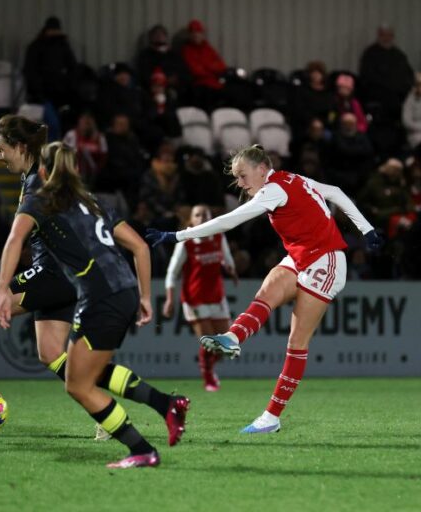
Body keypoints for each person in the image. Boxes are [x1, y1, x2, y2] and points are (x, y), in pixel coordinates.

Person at [0, 116, 186, 445]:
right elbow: (44, 239)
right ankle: (119, 411)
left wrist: (3, 287)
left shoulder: (37, 189)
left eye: (2, 150)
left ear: (20, 148)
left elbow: (17, 239)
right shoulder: (71, 193)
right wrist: (6, 272)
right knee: (52, 354)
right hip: (79, 281)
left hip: (59, 276)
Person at [145, 144, 382, 433]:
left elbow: (227, 221)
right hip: (300, 256)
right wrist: (366, 229)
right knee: (267, 290)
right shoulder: (293, 179)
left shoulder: (273, 189)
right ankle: (233, 337)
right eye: (237, 178)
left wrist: (177, 235)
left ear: (261, 169)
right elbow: (334, 191)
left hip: (326, 260)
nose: (242, 184)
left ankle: (271, 417)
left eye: (243, 176)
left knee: (297, 342)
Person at [0, 141, 189, 468]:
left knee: (78, 384)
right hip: (122, 289)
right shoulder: (93, 202)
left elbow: (15, 240)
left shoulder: (39, 201)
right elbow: (140, 247)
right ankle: (166, 405)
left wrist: (3, 288)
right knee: (84, 373)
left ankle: (142, 449)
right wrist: (143, 296)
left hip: (101, 297)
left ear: (41, 170)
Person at [162, 204, 237, 391]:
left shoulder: (219, 236)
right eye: (198, 215)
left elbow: (226, 258)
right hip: (195, 298)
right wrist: (170, 299)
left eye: (206, 214)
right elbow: (172, 272)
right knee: (210, 343)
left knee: (227, 344)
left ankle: (210, 368)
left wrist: (231, 269)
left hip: (217, 296)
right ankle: (208, 377)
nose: (202, 218)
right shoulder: (186, 242)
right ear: (192, 220)